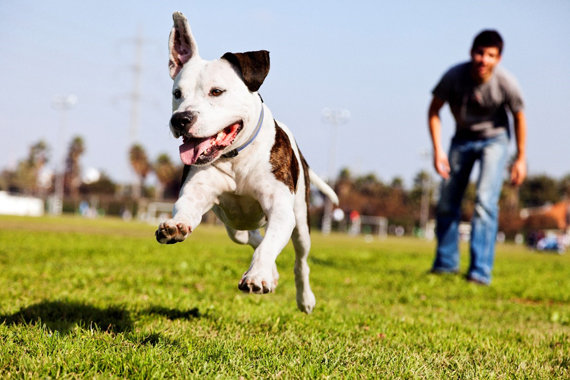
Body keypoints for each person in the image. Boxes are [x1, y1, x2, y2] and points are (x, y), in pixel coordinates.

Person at [428, 30, 527, 285]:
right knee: (448, 200)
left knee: (484, 201)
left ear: (499, 58)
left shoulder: (506, 82)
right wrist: (438, 150)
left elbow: (518, 117)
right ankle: (446, 264)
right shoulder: (454, 76)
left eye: (491, 55)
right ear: (472, 52)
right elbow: (434, 110)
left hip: (495, 140)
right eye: (480, 53)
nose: (484, 60)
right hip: (461, 139)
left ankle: (480, 271)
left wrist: (520, 158)